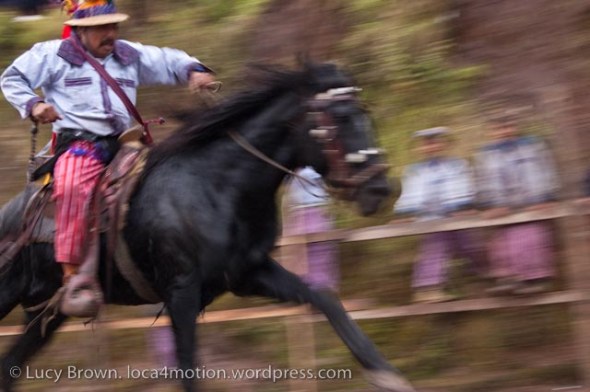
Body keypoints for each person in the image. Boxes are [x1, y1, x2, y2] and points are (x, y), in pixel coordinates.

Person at [0, 0, 216, 287]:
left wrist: (194, 71)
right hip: (79, 145)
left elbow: (167, 60)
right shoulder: (51, 55)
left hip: (126, 144)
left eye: (113, 26)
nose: (110, 33)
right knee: (73, 186)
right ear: (80, 31)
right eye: (102, 28)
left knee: (170, 172)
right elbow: (12, 78)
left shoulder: (129, 54)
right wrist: (34, 105)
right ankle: (72, 274)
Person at [394, 127, 486, 303]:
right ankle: (427, 287)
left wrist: (463, 205)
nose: (431, 147)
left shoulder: (457, 165)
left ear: (444, 144)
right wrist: (405, 212)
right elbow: (410, 193)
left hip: (455, 215)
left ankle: (481, 277)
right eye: (426, 144)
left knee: (471, 246)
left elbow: (463, 186)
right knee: (435, 248)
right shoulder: (414, 170)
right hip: (431, 219)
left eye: (435, 142)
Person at [475, 115, 559, 295]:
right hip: (503, 207)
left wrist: (545, 198)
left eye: (508, 127)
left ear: (516, 127)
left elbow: (544, 171)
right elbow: (484, 181)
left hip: (532, 203)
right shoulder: (487, 154)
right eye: (499, 128)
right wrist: (490, 204)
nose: (505, 131)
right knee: (501, 241)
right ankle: (507, 279)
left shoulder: (532, 146)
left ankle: (534, 279)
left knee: (530, 237)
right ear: (491, 132)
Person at [282, 167, 339, 293]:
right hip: (302, 213)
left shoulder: (311, 168)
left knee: (318, 253)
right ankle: (312, 288)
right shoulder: (296, 169)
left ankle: (318, 288)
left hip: (313, 211)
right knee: (308, 254)